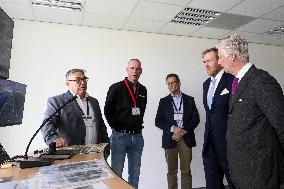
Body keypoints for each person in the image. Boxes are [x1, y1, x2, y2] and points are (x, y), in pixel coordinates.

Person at [216, 34, 284, 189]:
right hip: (244, 171)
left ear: (232, 56)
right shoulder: (237, 81)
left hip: (261, 172)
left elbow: (281, 124)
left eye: (220, 57)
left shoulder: (260, 80)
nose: (219, 62)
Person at [104, 59, 147, 189]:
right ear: (127, 69)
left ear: (141, 71)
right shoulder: (116, 87)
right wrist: (116, 127)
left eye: (138, 69)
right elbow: (107, 110)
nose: (135, 71)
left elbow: (141, 111)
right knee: (117, 174)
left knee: (134, 174)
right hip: (119, 137)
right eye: (132, 68)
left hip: (137, 138)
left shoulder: (143, 90)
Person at [41, 69, 109, 150]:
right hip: (71, 152)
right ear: (67, 83)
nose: (83, 82)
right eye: (77, 80)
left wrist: (106, 147)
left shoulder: (94, 101)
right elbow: (47, 123)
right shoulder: (57, 101)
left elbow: (101, 125)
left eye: (84, 79)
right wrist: (53, 139)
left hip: (95, 152)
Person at [155, 73, 200, 189]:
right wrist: (173, 129)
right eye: (168, 83)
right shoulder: (163, 101)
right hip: (170, 139)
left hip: (186, 138)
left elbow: (196, 119)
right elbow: (158, 121)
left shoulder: (189, 100)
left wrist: (184, 131)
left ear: (179, 83)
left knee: (186, 170)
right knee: (171, 171)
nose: (170, 85)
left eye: (173, 82)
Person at [201, 48, 235, 189]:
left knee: (234, 182)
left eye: (209, 61)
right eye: (204, 62)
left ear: (220, 61)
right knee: (212, 184)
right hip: (209, 144)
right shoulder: (206, 84)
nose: (206, 65)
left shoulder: (232, 81)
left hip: (228, 144)